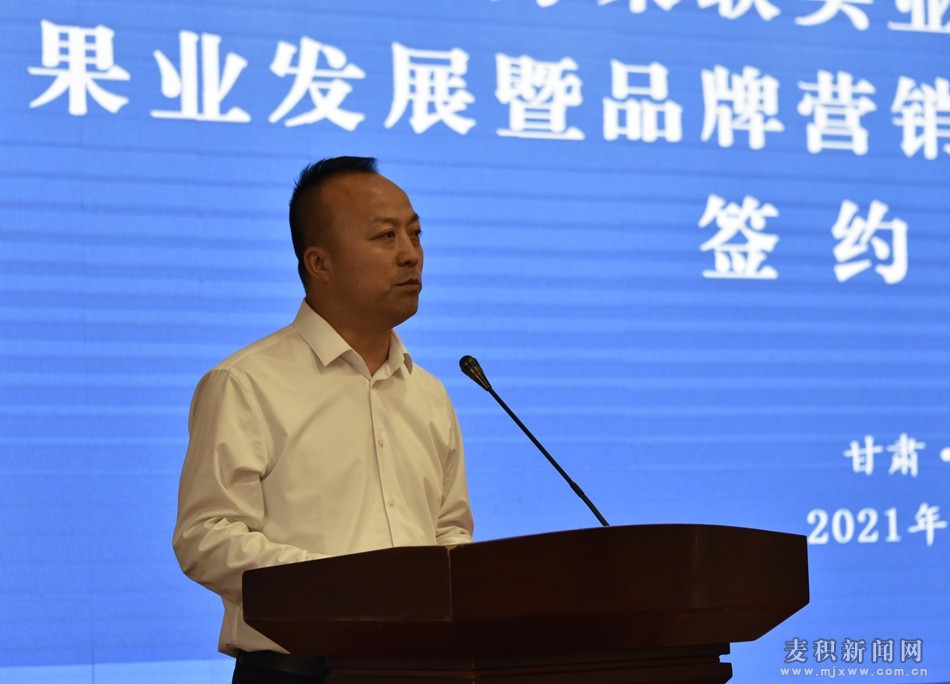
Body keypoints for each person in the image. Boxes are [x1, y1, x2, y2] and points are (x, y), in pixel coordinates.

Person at [172, 156, 475, 683]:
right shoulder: (246, 383)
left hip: (422, 668)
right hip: (298, 671)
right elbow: (206, 537)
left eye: (415, 234)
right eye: (385, 236)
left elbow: (449, 530)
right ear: (319, 262)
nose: (411, 254)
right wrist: (338, 585)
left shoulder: (429, 393)